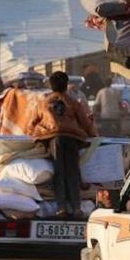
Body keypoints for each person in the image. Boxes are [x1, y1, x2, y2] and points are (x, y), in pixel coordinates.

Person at [26, 71, 98, 218]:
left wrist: (32, 138)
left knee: (59, 172)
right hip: (72, 138)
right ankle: (77, 208)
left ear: (51, 86)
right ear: (66, 86)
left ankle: (61, 208)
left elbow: (31, 125)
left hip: (53, 139)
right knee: (72, 172)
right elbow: (86, 123)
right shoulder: (74, 103)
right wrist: (94, 138)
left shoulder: (43, 103)